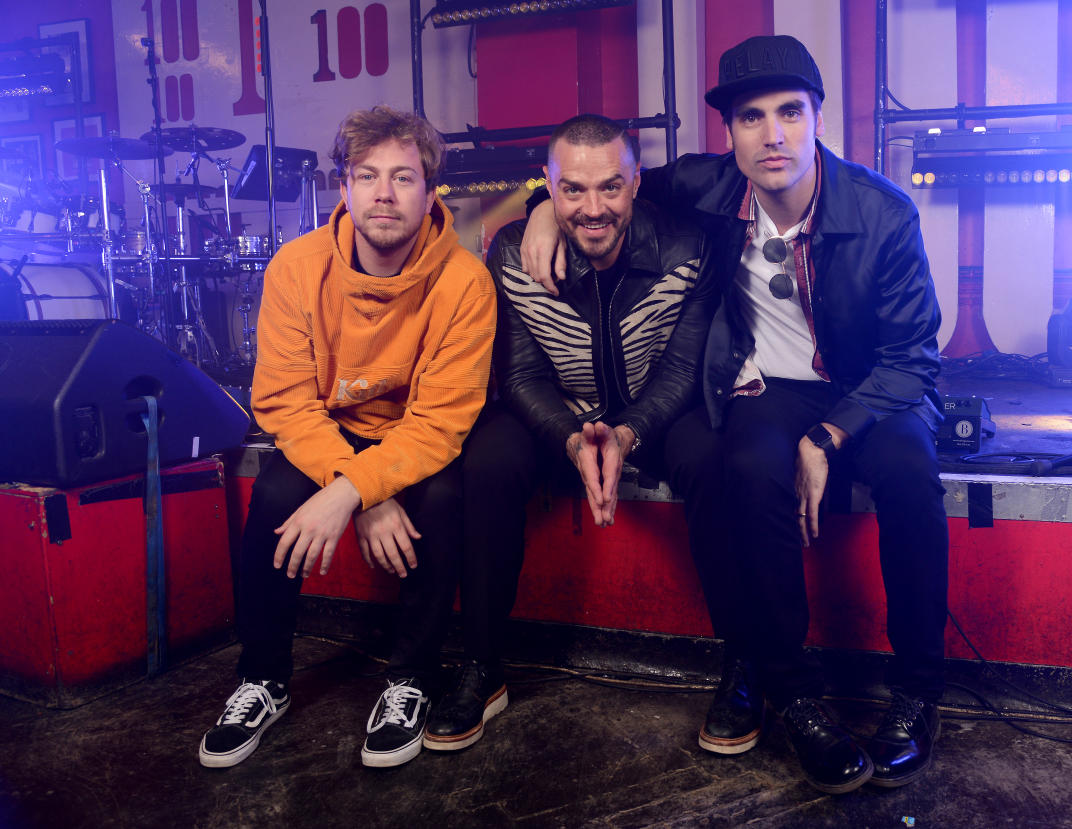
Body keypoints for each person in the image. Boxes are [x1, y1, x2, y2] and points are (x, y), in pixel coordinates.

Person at [521, 36, 949, 794]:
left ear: (817, 118)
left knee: (912, 476)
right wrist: (539, 213)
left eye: (791, 112)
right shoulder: (705, 186)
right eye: (752, 117)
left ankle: (916, 693)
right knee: (746, 466)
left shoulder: (883, 213)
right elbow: (600, 184)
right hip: (769, 390)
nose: (773, 134)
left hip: (872, 388)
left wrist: (830, 433)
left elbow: (914, 357)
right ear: (730, 134)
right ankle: (796, 694)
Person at [198, 106, 497, 769]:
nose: (383, 194)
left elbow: (441, 422)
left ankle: (410, 679)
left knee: (443, 499)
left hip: (415, 439)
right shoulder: (297, 268)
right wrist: (360, 489)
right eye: (367, 176)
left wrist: (353, 492)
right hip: (327, 433)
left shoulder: (465, 282)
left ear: (430, 191)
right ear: (344, 186)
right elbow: (283, 400)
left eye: (403, 177)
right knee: (274, 497)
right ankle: (263, 678)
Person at [420, 114, 713, 752]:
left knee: (717, 456)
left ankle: (747, 671)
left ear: (637, 183)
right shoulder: (511, 251)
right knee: (487, 461)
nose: (593, 208)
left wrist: (630, 432)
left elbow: (686, 369)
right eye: (572, 191)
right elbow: (521, 376)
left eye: (610, 187)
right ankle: (483, 668)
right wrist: (573, 439)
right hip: (559, 415)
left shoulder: (687, 246)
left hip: (653, 412)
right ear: (548, 187)